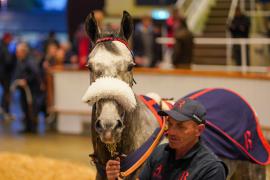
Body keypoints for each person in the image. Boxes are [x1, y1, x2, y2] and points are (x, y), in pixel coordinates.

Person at [106, 98, 228, 179]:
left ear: (199, 130)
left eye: (181, 126)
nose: (171, 132)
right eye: (170, 124)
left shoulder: (212, 169)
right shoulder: (158, 153)